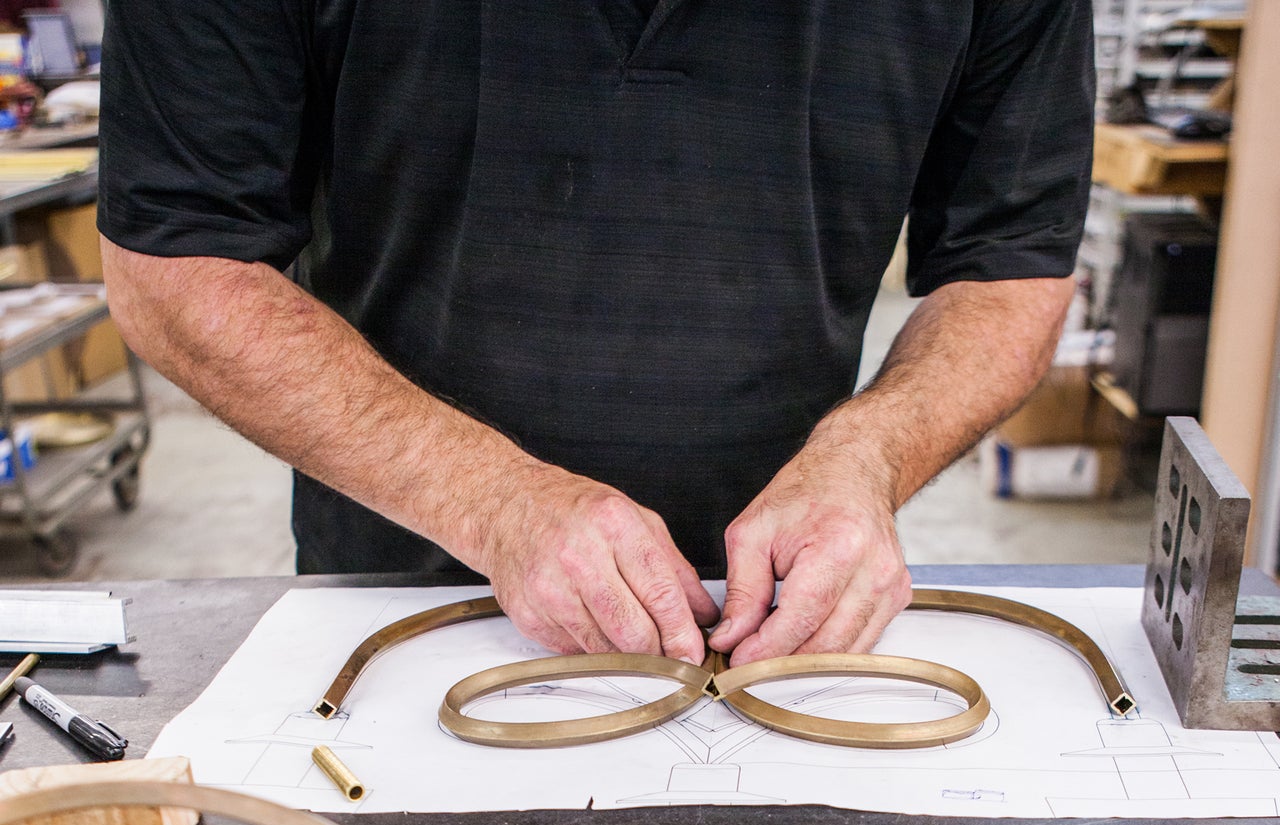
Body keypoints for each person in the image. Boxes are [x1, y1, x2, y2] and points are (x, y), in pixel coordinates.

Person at [97, 2, 1094, 668]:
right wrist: (494, 502)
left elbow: (1009, 262)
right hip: (408, 610)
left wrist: (865, 461)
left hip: (775, 625)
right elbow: (176, 263)